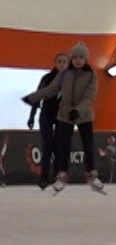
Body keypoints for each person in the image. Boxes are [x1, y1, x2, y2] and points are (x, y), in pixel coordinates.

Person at [26, 42, 102, 194]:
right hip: (64, 115)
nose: (78, 60)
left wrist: (78, 110)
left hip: (84, 115)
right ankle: (61, 174)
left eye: (81, 57)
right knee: (63, 146)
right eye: (75, 57)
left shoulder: (91, 76)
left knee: (88, 145)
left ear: (86, 59)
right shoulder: (64, 74)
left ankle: (91, 173)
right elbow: (50, 89)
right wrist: (33, 98)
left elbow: (89, 96)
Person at [25, 52, 68, 190]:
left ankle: (57, 176)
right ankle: (44, 177)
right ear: (55, 63)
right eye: (59, 61)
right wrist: (31, 116)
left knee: (59, 147)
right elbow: (38, 97)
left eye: (64, 62)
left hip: (62, 116)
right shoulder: (47, 78)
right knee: (48, 145)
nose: (61, 64)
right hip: (47, 115)